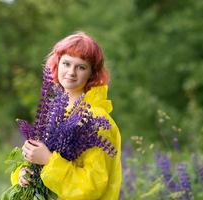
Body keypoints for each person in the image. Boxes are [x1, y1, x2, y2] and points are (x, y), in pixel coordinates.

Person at [11, 31, 122, 200]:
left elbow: (92, 187)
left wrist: (49, 161)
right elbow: (38, 167)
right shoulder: (54, 112)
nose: (71, 72)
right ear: (57, 65)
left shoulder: (96, 119)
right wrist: (24, 175)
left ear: (92, 74)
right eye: (66, 63)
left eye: (81, 67)